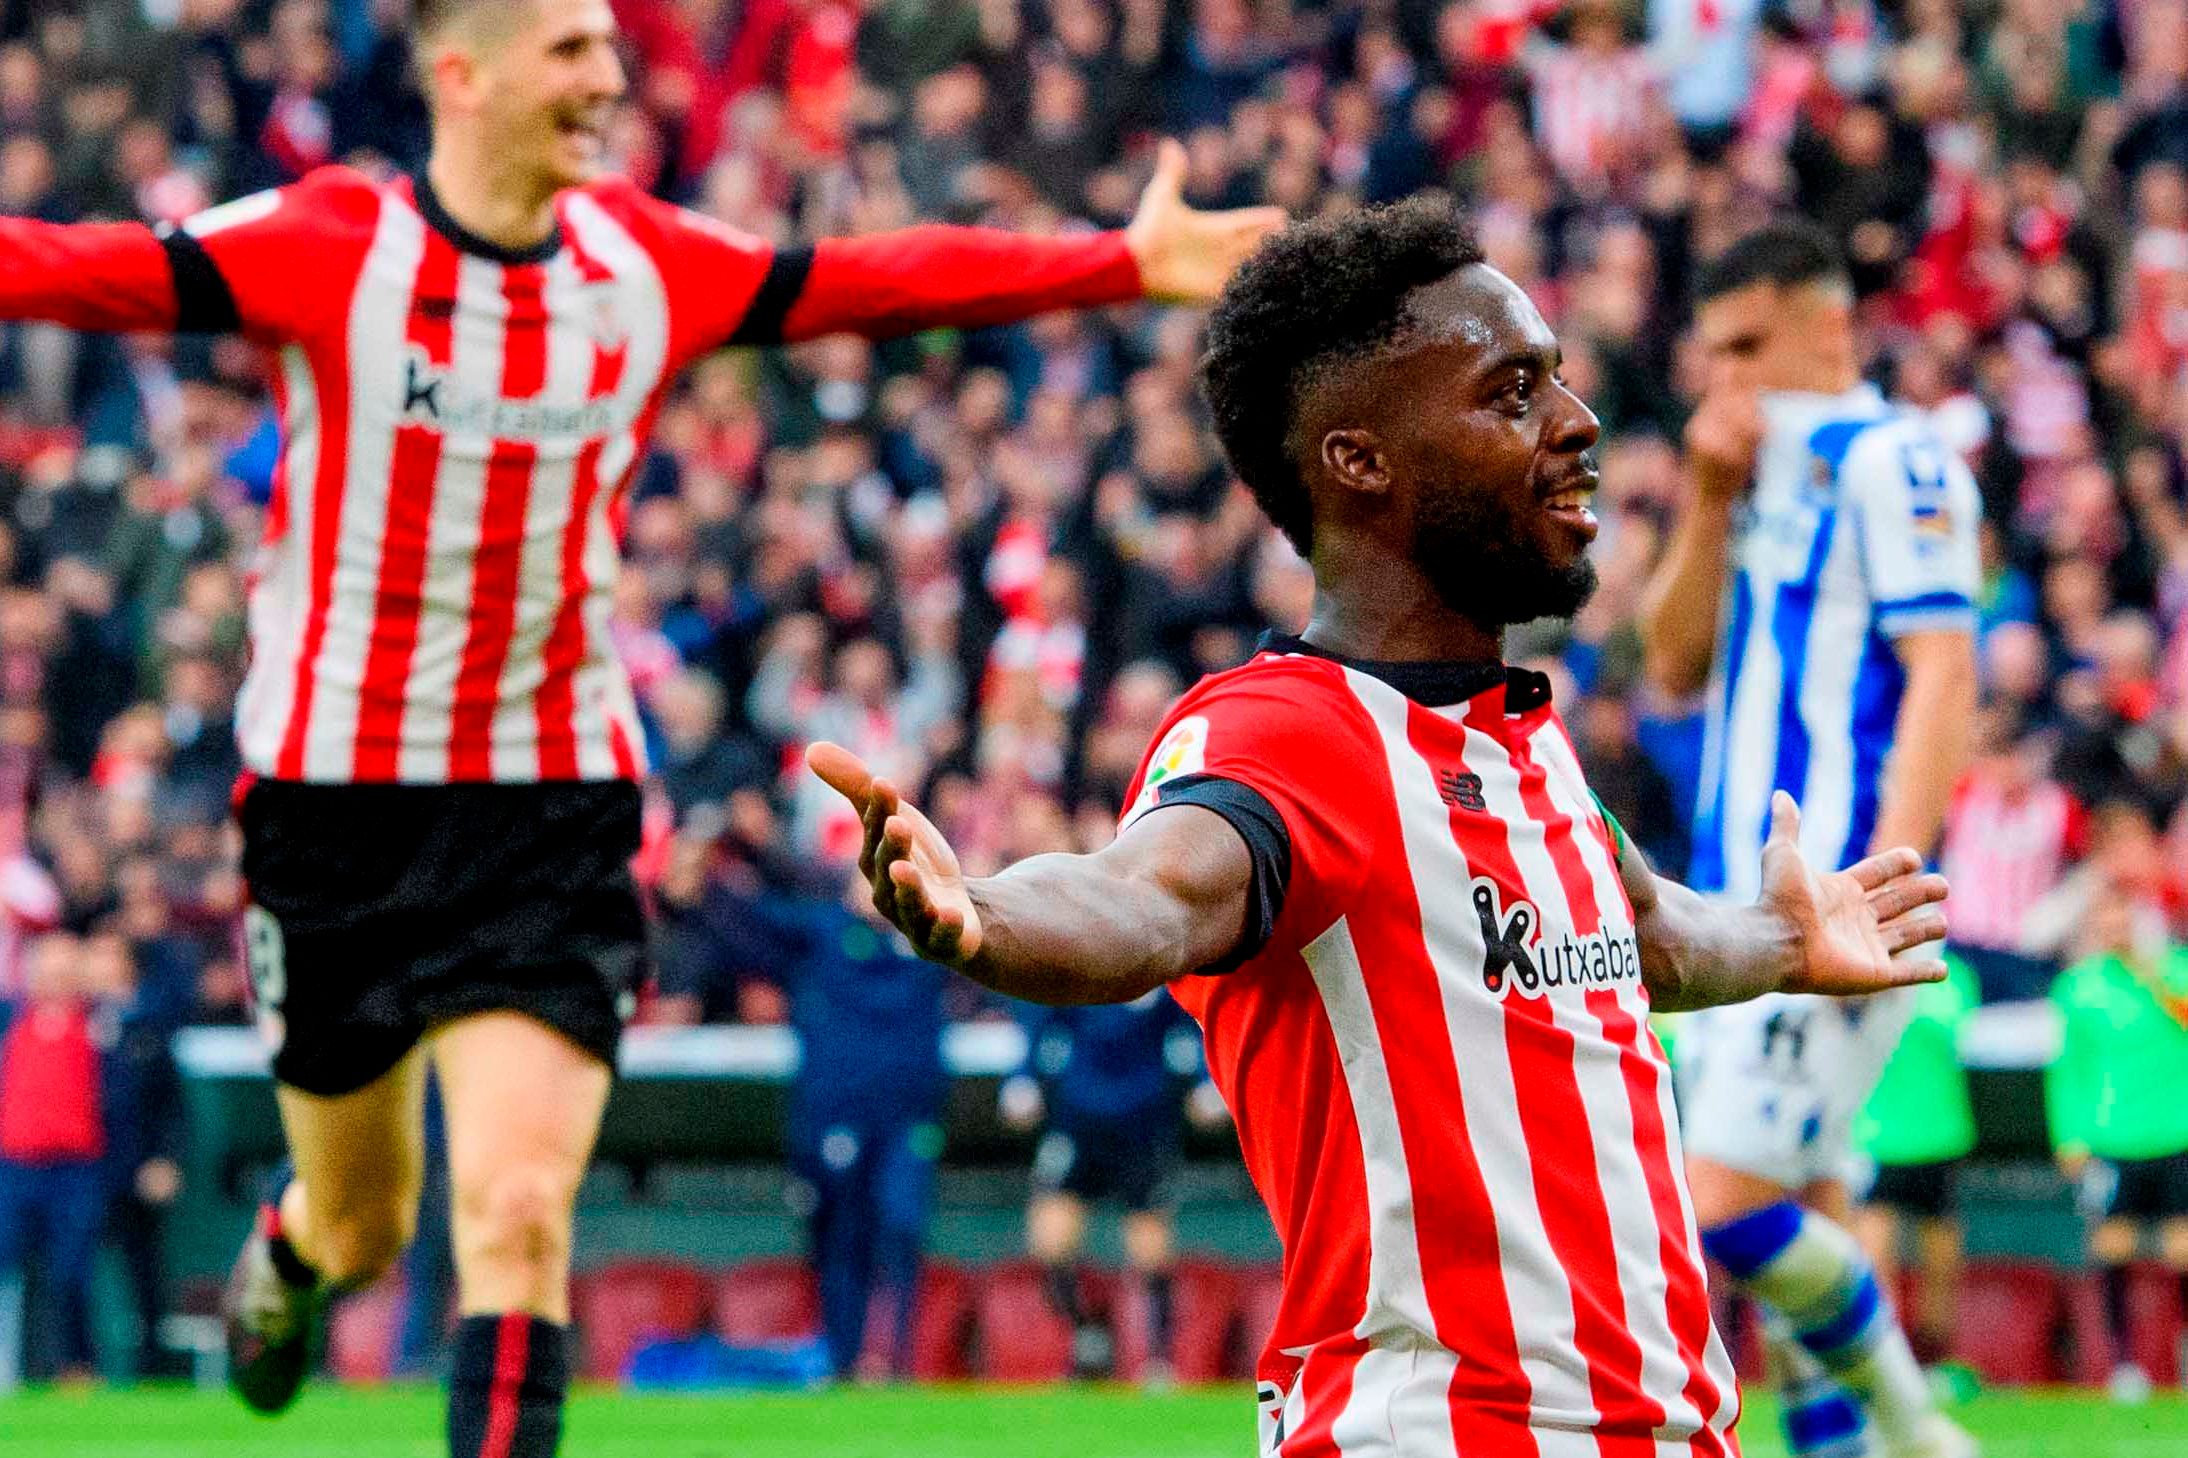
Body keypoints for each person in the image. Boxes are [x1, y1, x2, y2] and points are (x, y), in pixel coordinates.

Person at [0, 0, 1279, 1450]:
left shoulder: (637, 262)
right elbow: (70, 268)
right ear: (461, 74)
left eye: (611, 45)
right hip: (335, 804)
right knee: (367, 1220)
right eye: (569, 48)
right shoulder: (334, 244)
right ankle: (300, 1247)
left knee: (517, 1212)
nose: (608, 76)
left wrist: (1120, 261)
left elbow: (865, 280)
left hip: (550, 801)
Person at [808, 197, 1954, 1456]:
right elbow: (1149, 894)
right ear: (1360, 462)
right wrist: (986, 915)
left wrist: (1780, 939)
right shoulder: (1285, 736)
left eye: (1557, 379)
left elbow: (1645, 938)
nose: (1576, 423)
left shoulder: (1520, 738)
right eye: (1511, 393)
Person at [1640, 220, 1981, 1458]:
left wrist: (1880, 890)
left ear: (1827, 327)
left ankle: (1919, 1429)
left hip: (1834, 895)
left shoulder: (1899, 461)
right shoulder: (1747, 470)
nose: (1724, 378)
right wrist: (1705, 496)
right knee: (1800, 1211)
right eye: (1711, 353)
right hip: (1734, 898)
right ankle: (1857, 1450)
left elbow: (1943, 675)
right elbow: (1669, 661)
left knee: (1716, 1206)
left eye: (1747, 347)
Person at [779, 869, 952, 1381]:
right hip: (840, 1117)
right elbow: (753, 923)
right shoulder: (823, 932)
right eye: (866, 878)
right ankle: (843, 1359)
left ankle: (891, 1359)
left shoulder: (928, 933)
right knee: (841, 1236)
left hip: (910, 1116)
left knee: (901, 1228)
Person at [1000, 988, 1213, 1382]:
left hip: (1143, 1123)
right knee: (1050, 1240)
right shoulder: (1080, 968)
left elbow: (1196, 1022)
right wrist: (1023, 1078)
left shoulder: (1159, 972)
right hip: (1078, 1120)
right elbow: (1042, 1022)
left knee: (1150, 1248)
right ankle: (1087, 1339)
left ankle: (1158, 1360)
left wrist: (1206, 1080)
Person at [2046, 877, 2188, 1404]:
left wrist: (2152, 971)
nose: (2116, 926)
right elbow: (2068, 1069)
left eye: (2125, 914)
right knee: (2112, 1245)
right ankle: (2125, 1365)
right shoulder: (2078, 988)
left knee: (2182, 1248)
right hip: (2113, 1138)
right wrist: (2069, 1135)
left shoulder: (2175, 971)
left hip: (2176, 1133)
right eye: (2106, 916)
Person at [1853, 952, 1979, 1371]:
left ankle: (1933, 1359)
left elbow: (1959, 1036)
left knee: (1941, 1266)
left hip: (1940, 1138)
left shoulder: (1954, 977)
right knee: (1875, 1260)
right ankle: (1883, 1359)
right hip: (1876, 1138)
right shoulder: (1863, 965)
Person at [0, 934, 111, 1382]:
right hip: (15, 1167)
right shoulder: (10, 1022)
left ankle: (76, 1370)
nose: (56, 980)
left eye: (65, 972)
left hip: (74, 1170)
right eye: (48, 971)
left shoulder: (103, 1027)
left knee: (70, 1272)